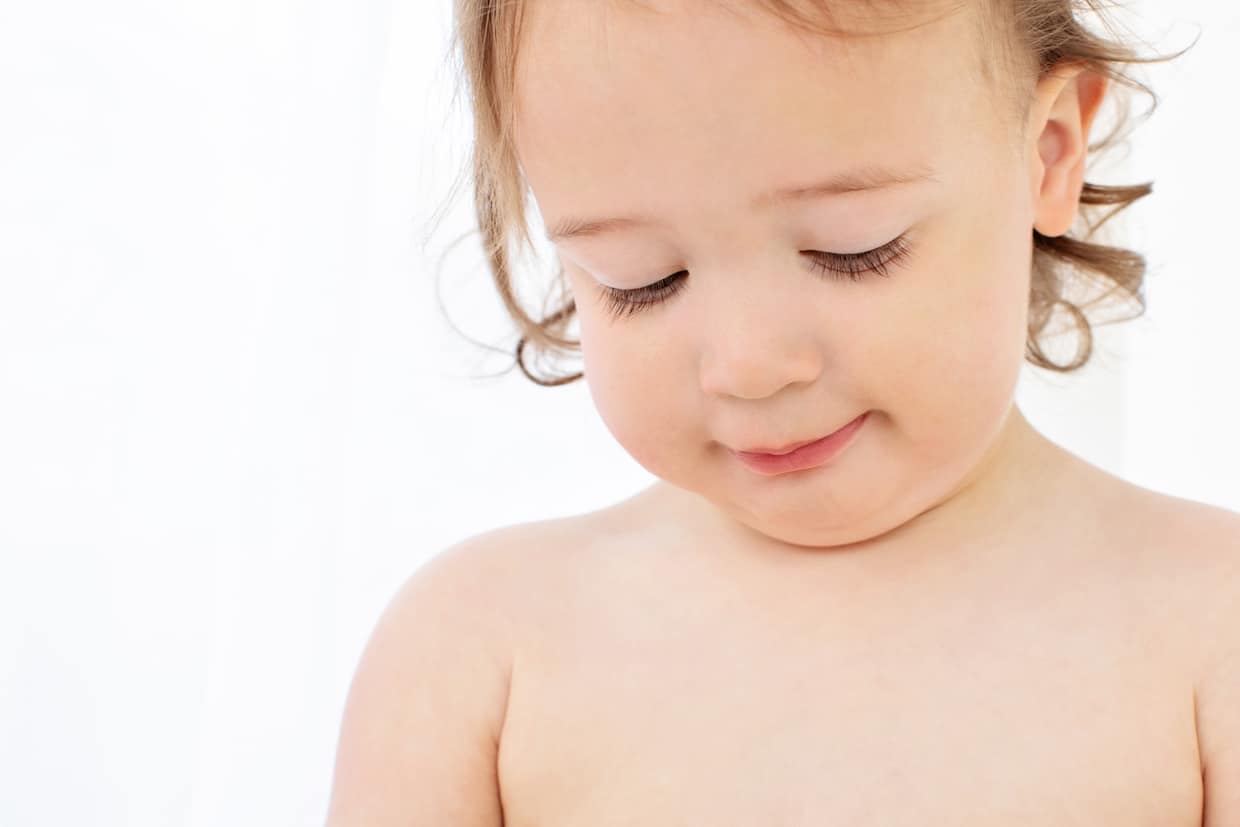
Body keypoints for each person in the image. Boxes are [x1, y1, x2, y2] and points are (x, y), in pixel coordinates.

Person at [325, 0, 1240, 823]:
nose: (749, 366)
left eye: (851, 249)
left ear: (1048, 154)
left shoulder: (1208, 627)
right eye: (643, 279)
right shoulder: (480, 655)